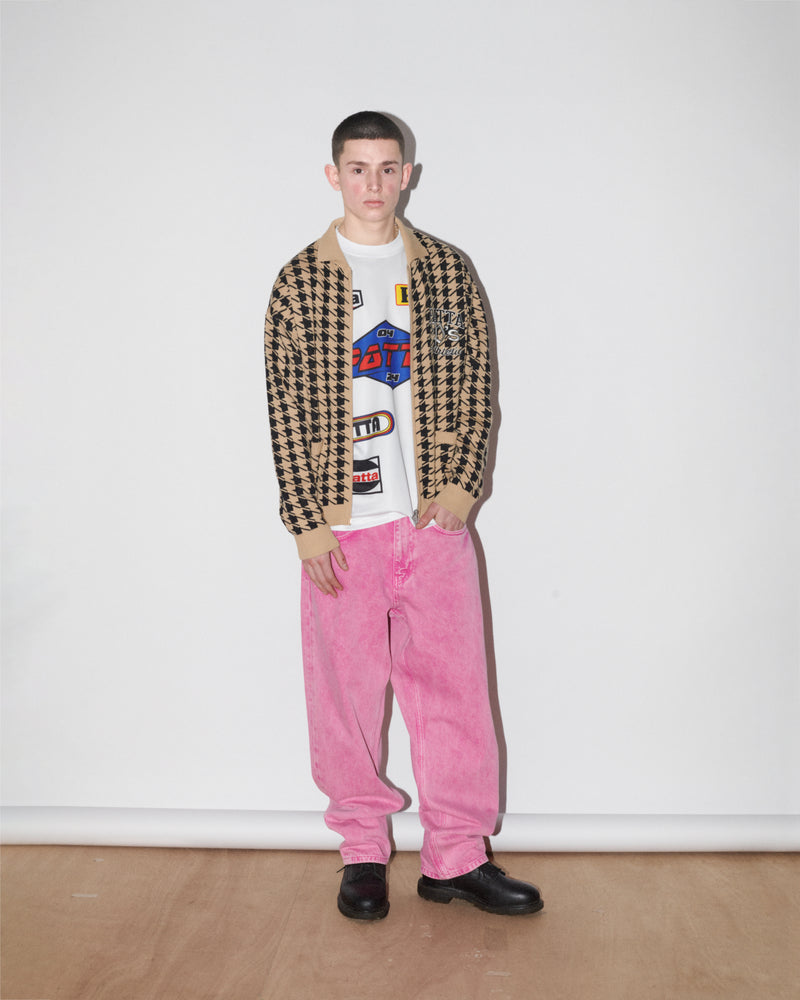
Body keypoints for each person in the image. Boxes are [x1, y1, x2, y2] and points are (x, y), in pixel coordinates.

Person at [264, 111, 542, 920]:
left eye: (388, 168)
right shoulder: (300, 282)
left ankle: (457, 856)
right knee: (345, 701)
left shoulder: (445, 273)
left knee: (455, 693)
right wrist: (306, 523)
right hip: (341, 531)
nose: (374, 184)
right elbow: (283, 406)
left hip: (431, 525)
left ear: (408, 174)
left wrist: (460, 487)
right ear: (334, 175)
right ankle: (362, 851)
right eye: (358, 168)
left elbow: (475, 379)